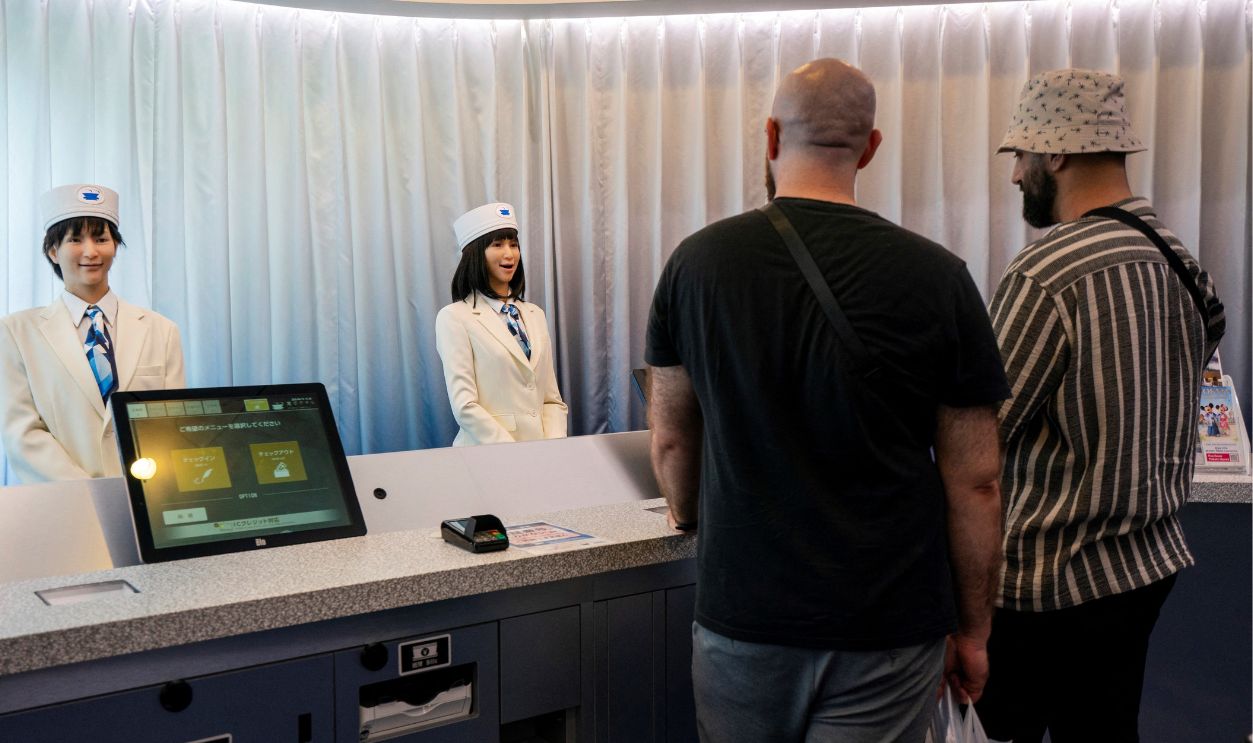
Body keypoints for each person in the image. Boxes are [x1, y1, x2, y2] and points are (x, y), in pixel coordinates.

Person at [645, 58, 1010, 742]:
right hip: (887, 626)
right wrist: (973, 630)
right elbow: (977, 481)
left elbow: (670, 437)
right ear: (871, 147)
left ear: (770, 134)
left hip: (743, 614)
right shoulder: (938, 277)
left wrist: (688, 509)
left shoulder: (695, 265)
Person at [976, 69, 1226, 743]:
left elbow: (980, 434)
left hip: (1046, 580)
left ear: (1054, 152)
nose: (1014, 176)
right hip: (1145, 566)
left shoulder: (1047, 269)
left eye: (1019, 155)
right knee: (1106, 730)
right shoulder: (1177, 258)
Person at [0, 184, 185, 483]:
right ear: (52, 251)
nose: (91, 251)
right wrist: (88, 492)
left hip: (146, 496)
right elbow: (22, 433)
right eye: (75, 240)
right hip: (63, 502)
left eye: (101, 239)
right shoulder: (15, 332)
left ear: (115, 246)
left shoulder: (161, 330)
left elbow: (171, 423)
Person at [434, 202, 567, 446]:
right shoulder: (454, 317)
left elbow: (551, 399)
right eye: (498, 245)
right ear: (476, 254)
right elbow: (465, 405)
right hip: (488, 455)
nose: (510, 254)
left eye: (513, 245)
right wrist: (511, 452)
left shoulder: (535, 314)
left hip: (543, 455)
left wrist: (553, 446)